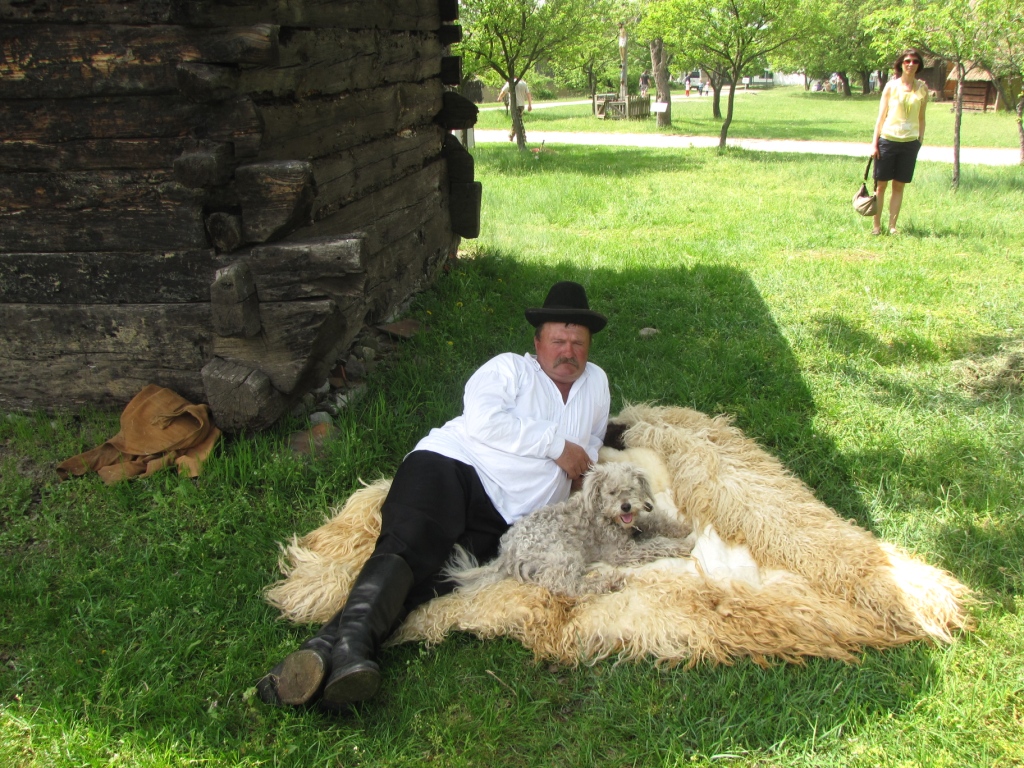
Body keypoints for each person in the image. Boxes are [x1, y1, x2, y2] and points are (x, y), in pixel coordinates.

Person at [259, 281, 611, 712]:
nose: (568, 352)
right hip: (452, 468)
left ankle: (326, 650)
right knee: (410, 545)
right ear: (537, 342)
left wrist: (584, 471)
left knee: (440, 577)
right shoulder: (509, 370)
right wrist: (558, 446)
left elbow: (592, 445)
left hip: (508, 517)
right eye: (558, 340)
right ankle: (351, 651)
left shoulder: (596, 384)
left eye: (578, 343)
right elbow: (483, 420)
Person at [870, 48, 928, 236]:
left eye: (915, 61)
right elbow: (881, 116)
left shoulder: (922, 89)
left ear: (919, 65)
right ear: (901, 64)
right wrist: (874, 143)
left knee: (899, 185)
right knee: (881, 185)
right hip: (888, 140)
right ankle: (877, 227)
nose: (911, 64)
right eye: (907, 61)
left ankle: (893, 226)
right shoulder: (891, 87)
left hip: (910, 142)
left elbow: (921, 117)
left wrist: (920, 140)